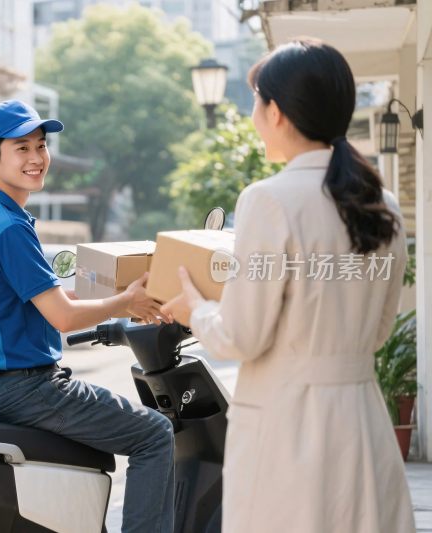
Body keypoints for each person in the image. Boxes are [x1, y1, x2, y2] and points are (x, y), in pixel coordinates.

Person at [161, 40, 415, 533]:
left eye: (256, 101)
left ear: (275, 111)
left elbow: (241, 336)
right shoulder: (382, 203)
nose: (253, 114)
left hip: (289, 423)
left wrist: (194, 306)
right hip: (363, 419)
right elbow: (379, 331)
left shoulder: (269, 200)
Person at [0, 99, 174, 533]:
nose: (37, 158)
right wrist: (125, 302)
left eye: (41, 145)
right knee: (154, 436)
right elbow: (64, 318)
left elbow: (37, 296)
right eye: (21, 148)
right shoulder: (11, 227)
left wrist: (112, 292)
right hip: (30, 389)